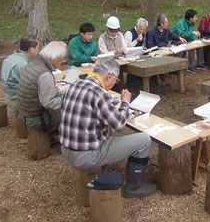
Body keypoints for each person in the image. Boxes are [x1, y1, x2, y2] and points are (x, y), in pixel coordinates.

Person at [59, 59, 156, 198]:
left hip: (66, 149)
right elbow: (119, 125)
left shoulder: (75, 85)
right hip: (86, 156)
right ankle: (134, 188)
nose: (113, 85)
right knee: (144, 139)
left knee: (108, 133)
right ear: (109, 76)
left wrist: (110, 101)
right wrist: (125, 103)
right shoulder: (100, 94)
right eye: (115, 81)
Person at [17, 41, 68, 132]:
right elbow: (50, 103)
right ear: (56, 58)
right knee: (74, 113)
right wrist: (70, 99)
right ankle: (67, 139)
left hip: (26, 112)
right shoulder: (45, 74)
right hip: (37, 119)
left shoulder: (35, 62)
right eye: (63, 59)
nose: (63, 62)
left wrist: (62, 93)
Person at [0, 35, 40, 112]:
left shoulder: (9, 58)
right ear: (31, 49)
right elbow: (32, 88)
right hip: (19, 101)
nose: (38, 50)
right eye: (38, 48)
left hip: (10, 97)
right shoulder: (22, 65)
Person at [173, 9, 208, 73]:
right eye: (195, 17)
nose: (197, 18)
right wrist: (192, 33)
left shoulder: (191, 23)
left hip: (187, 40)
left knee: (199, 44)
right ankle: (191, 66)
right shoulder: (180, 23)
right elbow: (182, 35)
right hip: (177, 41)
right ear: (190, 18)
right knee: (191, 46)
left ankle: (200, 63)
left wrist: (196, 39)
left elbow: (191, 34)